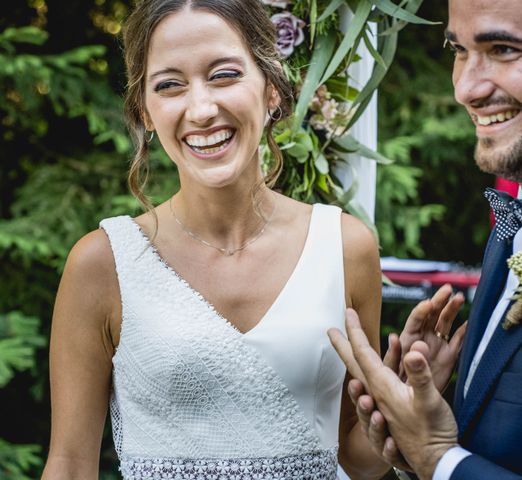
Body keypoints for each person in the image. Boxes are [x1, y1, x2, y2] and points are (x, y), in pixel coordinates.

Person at [41, 1, 391, 479]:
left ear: (270, 88)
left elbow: (359, 460)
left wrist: (404, 403)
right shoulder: (103, 263)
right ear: (145, 111)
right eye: (169, 85)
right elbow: (70, 463)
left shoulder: (345, 247)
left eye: (224, 75)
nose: (202, 109)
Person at [330, 0, 522, 478]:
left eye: (501, 49)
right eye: (459, 50)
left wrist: (440, 459)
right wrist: (428, 424)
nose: (466, 89)